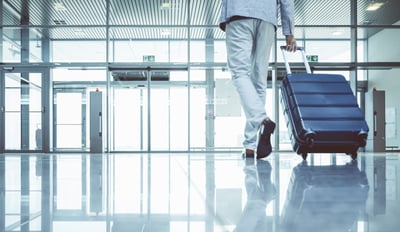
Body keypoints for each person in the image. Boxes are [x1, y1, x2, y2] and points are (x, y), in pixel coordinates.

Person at [219, 0, 297, 159]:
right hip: (267, 18)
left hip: (239, 12)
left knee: (239, 72)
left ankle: (262, 119)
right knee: (259, 81)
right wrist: (289, 32)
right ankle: (250, 146)